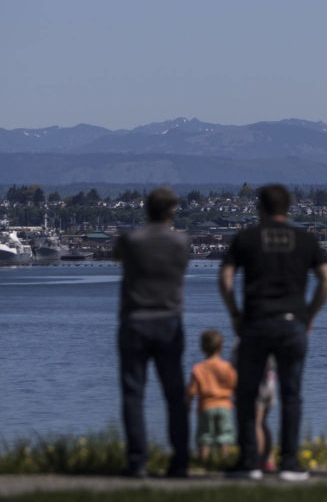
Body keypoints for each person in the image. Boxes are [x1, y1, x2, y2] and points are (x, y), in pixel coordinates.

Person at [219, 183, 327, 481]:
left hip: (255, 322)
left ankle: (248, 462)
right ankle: (290, 462)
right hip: (292, 322)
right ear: (289, 207)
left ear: (259, 207)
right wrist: (309, 314)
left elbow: (226, 278)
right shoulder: (305, 238)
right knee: (291, 393)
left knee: (246, 394)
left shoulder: (246, 238)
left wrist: (234, 313)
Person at [114, 186, 191, 478]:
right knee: (174, 394)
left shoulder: (132, 240)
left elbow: (115, 257)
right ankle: (180, 461)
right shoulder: (181, 242)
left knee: (133, 393)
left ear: (146, 209)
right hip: (169, 321)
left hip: (135, 320)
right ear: (172, 211)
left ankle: (137, 461)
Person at [186, 329, 238, 462]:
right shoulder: (227, 367)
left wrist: (188, 404)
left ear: (202, 348)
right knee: (225, 437)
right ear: (221, 347)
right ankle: (225, 461)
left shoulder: (198, 368)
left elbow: (191, 391)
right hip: (225, 406)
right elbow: (234, 385)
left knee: (205, 437)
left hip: (206, 406)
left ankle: (203, 462)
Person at [255, 356, 278, 473]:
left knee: (257, 423)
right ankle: (268, 460)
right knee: (263, 422)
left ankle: (256, 461)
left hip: (257, 379)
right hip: (270, 379)